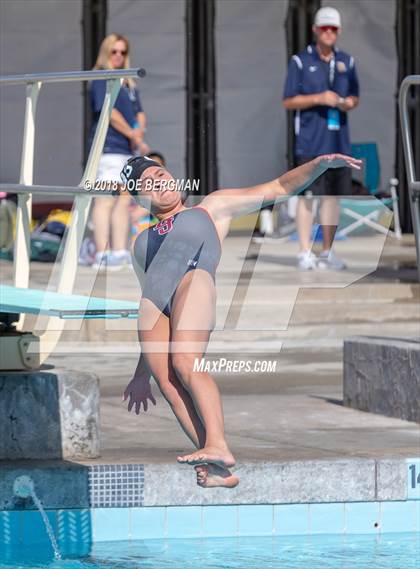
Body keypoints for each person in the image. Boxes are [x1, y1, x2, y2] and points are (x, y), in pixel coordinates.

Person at [121, 152, 361, 488]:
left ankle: (217, 443)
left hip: (195, 280)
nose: (158, 183)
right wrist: (139, 374)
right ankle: (215, 461)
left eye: (161, 175)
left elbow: (278, 187)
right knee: (169, 384)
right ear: (139, 199)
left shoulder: (211, 207)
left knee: (186, 363)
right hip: (157, 305)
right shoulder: (140, 244)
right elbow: (153, 295)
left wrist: (318, 165)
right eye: (147, 184)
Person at [283, 6, 360, 270]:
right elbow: (288, 101)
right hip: (310, 142)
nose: (329, 32)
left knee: (332, 199)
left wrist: (348, 102)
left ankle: (327, 251)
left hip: (338, 143)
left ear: (338, 31)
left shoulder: (347, 62)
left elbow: (355, 96)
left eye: (333, 28)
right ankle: (304, 251)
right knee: (308, 197)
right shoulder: (300, 62)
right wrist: (319, 98)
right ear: (316, 30)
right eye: (324, 28)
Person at [88, 33, 150, 271]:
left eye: (122, 52)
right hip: (107, 149)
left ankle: (119, 250)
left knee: (125, 200)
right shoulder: (101, 78)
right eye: (114, 51)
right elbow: (110, 113)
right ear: (106, 52)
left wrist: (138, 132)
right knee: (104, 200)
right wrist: (134, 135)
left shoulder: (128, 82)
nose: (118, 56)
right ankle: (101, 254)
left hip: (126, 150)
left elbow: (140, 113)